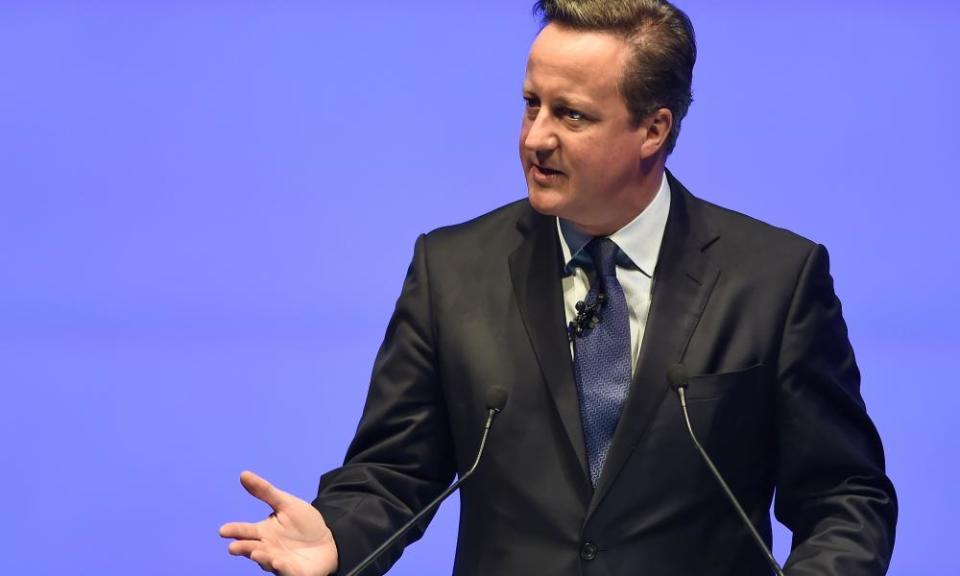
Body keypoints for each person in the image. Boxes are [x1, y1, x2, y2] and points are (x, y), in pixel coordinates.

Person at [220, 1, 898, 574]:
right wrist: (338, 536)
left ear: (653, 130)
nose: (535, 138)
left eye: (571, 115)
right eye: (530, 104)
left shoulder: (773, 278)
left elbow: (844, 494)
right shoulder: (452, 270)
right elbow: (394, 471)